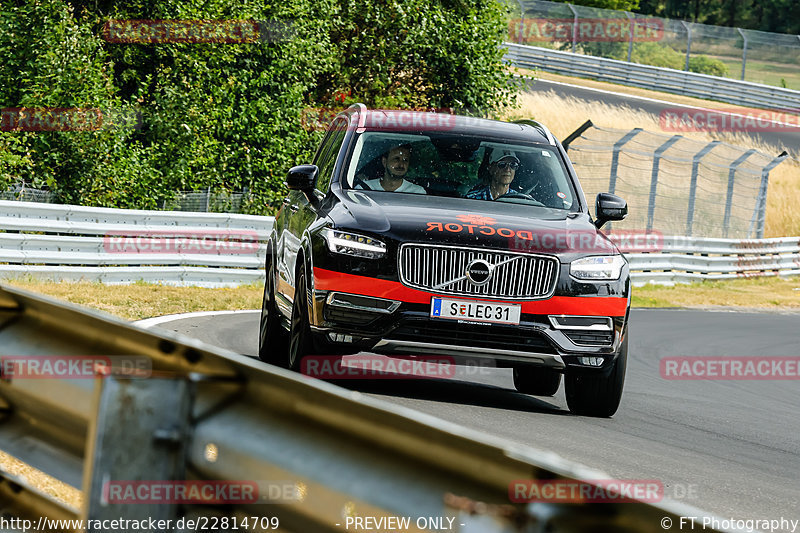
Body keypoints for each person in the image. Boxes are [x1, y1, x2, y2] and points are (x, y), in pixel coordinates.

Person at [359, 144, 426, 194]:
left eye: (405, 160)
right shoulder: (364, 189)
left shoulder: (417, 192)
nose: (401, 165)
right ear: (384, 162)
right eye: (396, 159)